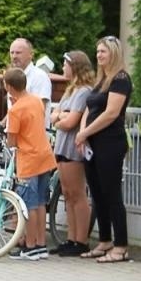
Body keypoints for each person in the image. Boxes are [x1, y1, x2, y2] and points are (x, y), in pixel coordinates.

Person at [76, 35, 132, 263]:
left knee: (112, 194)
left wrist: (86, 132)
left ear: (114, 54)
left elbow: (111, 113)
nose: (99, 55)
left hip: (110, 142)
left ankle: (121, 245)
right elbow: (89, 108)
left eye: (103, 52)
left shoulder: (120, 79)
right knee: (97, 194)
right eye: (97, 51)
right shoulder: (102, 80)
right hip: (93, 143)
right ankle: (105, 240)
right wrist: (83, 133)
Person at [3, 67, 58, 260]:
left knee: (30, 204)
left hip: (28, 159)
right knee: (42, 203)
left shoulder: (16, 110)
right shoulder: (35, 101)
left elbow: (11, 141)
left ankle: (31, 245)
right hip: (45, 155)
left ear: (9, 87)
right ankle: (41, 244)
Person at [50, 49, 94, 256]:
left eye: (65, 64)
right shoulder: (70, 91)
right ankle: (71, 237)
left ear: (74, 66)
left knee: (77, 194)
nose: (62, 68)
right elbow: (55, 116)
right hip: (61, 146)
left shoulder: (83, 91)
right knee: (67, 194)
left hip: (72, 148)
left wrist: (60, 117)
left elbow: (70, 122)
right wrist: (61, 116)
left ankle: (81, 240)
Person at [7, 37, 53, 112]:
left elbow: (39, 109)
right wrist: (2, 123)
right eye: (12, 53)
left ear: (31, 55)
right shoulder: (12, 76)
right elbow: (12, 109)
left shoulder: (40, 77)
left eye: (18, 53)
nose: (14, 56)